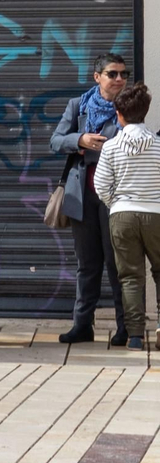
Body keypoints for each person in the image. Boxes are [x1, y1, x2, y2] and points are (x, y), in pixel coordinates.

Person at [51, 54, 130, 344]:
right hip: (82, 195)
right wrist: (80, 140)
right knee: (87, 264)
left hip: (116, 196)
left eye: (124, 74)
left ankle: (125, 327)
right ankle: (82, 325)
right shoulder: (78, 105)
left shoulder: (129, 105)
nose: (120, 79)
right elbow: (56, 140)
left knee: (117, 264)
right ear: (97, 77)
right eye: (113, 74)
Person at [94, 83, 160, 353]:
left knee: (131, 277)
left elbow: (100, 186)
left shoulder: (111, 147)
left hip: (122, 215)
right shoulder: (158, 145)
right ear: (145, 112)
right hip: (156, 214)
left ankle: (135, 336)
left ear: (119, 114)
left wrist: (116, 204)